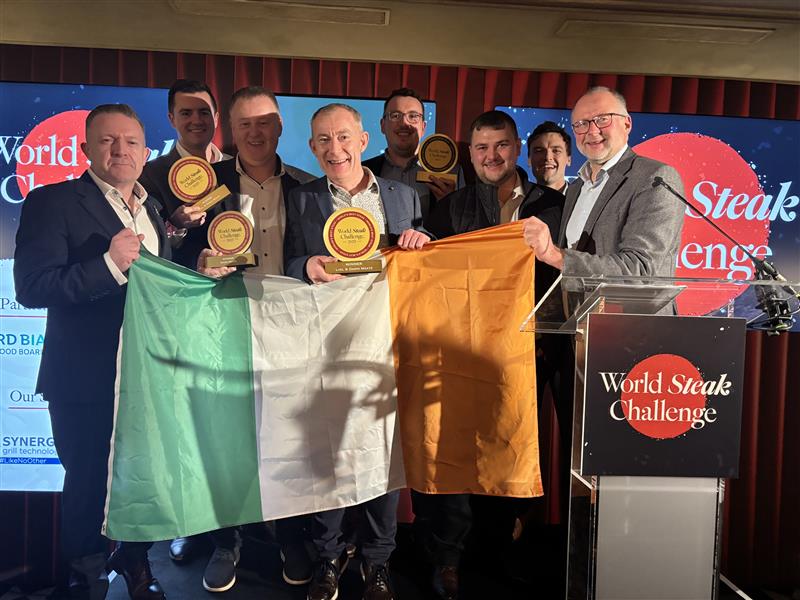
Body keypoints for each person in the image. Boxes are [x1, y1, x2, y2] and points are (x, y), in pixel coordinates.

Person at [14, 104, 171, 600]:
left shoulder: (156, 210)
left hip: (147, 374)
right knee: (87, 482)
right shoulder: (51, 201)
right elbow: (32, 287)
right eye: (107, 141)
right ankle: (84, 579)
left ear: (146, 153)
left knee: (141, 476)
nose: (119, 150)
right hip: (83, 377)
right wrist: (106, 265)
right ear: (86, 149)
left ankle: (136, 564)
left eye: (129, 141)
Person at [284, 103, 430, 600]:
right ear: (311, 147)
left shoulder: (405, 195)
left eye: (343, 137)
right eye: (323, 140)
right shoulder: (301, 198)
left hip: (387, 348)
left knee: (383, 459)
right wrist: (308, 265)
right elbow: (288, 258)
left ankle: (377, 561)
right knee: (328, 452)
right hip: (324, 346)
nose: (334, 148)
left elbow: (427, 261)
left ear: (364, 140)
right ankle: (328, 557)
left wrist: (421, 239)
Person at [422, 109, 563, 600]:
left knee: (511, 449)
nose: (491, 156)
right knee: (456, 453)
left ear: (517, 146)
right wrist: (419, 244)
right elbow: (428, 275)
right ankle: (448, 560)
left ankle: (501, 552)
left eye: (500, 145)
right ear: (470, 152)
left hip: (526, 353)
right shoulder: (450, 207)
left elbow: (568, 272)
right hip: (460, 353)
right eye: (481, 148)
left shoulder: (553, 205)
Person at [193, 86, 316, 593]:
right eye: (244, 124)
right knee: (228, 441)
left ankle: (291, 535)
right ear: (231, 130)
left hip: (291, 331)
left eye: (264, 122)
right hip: (224, 329)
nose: (255, 132)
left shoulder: (310, 187)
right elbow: (176, 246)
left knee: (287, 439)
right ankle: (227, 542)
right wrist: (196, 262)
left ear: (280, 126)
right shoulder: (207, 187)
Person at [523, 86, 684, 279]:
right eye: (581, 124)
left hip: (629, 310)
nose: (592, 131)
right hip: (580, 310)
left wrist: (554, 255)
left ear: (627, 124)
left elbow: (641, 269)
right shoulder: (576, 188)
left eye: (602, 120)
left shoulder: (655, 178)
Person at [139, 79, 230, 269]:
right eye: (186, 113)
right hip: (184, 287)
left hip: (240, 282)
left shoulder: (236, 166)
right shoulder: (150, 175)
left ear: (215, 117)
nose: (196, 120)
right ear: (172, 119)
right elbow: (146, 245)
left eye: (203, 112)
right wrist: (175, 225)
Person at [362, 87, 464, 221]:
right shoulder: (363, 172)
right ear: (382, 125)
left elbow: (462, 227)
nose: (404, 123)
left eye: (413, 116)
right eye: (395, 116)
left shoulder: (451, 173)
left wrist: (450, 203)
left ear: (423, 127)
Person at [527, 120, 572, 196]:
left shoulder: (584, 201)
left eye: (556, 151)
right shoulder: (517, 204)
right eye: (539, 151)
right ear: (529, 159)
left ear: (569, 159)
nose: (547, 157)